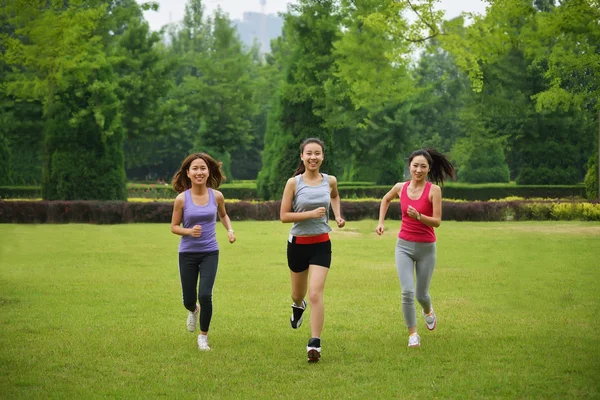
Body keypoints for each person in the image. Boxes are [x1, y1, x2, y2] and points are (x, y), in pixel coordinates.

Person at [375, 148, 455, 348]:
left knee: (421, 294)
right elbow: (385, 199)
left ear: (428, 169)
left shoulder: (434, 191)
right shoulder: (400, 188)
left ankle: (428, 311)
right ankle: (413, 334)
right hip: (404, 246)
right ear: (409, 166)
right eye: (415, 165)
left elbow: (437, 222)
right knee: (407, 292)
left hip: (427, 248)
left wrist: (419, 217)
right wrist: (381, 222)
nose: (418, 170)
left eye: (423, 167)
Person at [280, 138, 345, 362]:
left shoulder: (330, 181)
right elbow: (284, 216)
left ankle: (314, 343)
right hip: (298, 244)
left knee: (316, 292)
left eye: (317, 153)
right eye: (309, 153)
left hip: (321, 244)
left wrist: (336, 215)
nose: (313, 157)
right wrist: (310, 214)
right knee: (298, 294)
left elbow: (335, 196)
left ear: (322, 156)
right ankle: (298, 306)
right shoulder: (294, 183)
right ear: (302, 156)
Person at [170, 152, 236, 351]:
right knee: (189, 299)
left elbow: (224, 216)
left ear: (208, 172)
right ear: (188, 173)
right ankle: (193, 310)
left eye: (203, 168)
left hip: (210, 252)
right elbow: (174, 227)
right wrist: (189, 231)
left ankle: (203, 337)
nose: (199, 172)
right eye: (195, 168)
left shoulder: (216, 196)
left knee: (205, 295)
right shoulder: (182, 199)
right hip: (187, 253)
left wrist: (230, 230)